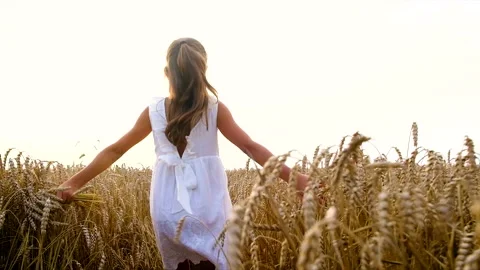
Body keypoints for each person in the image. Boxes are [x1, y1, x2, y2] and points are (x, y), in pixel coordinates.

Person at [57, 37, 310, 270]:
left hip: (167, 206)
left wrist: (73, 182)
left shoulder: (153, 111)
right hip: (208, 205)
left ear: (167, 73)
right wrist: (296, 180)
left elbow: (114, 151)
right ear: (204, 71)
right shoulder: (214, 109)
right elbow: (250, 147)